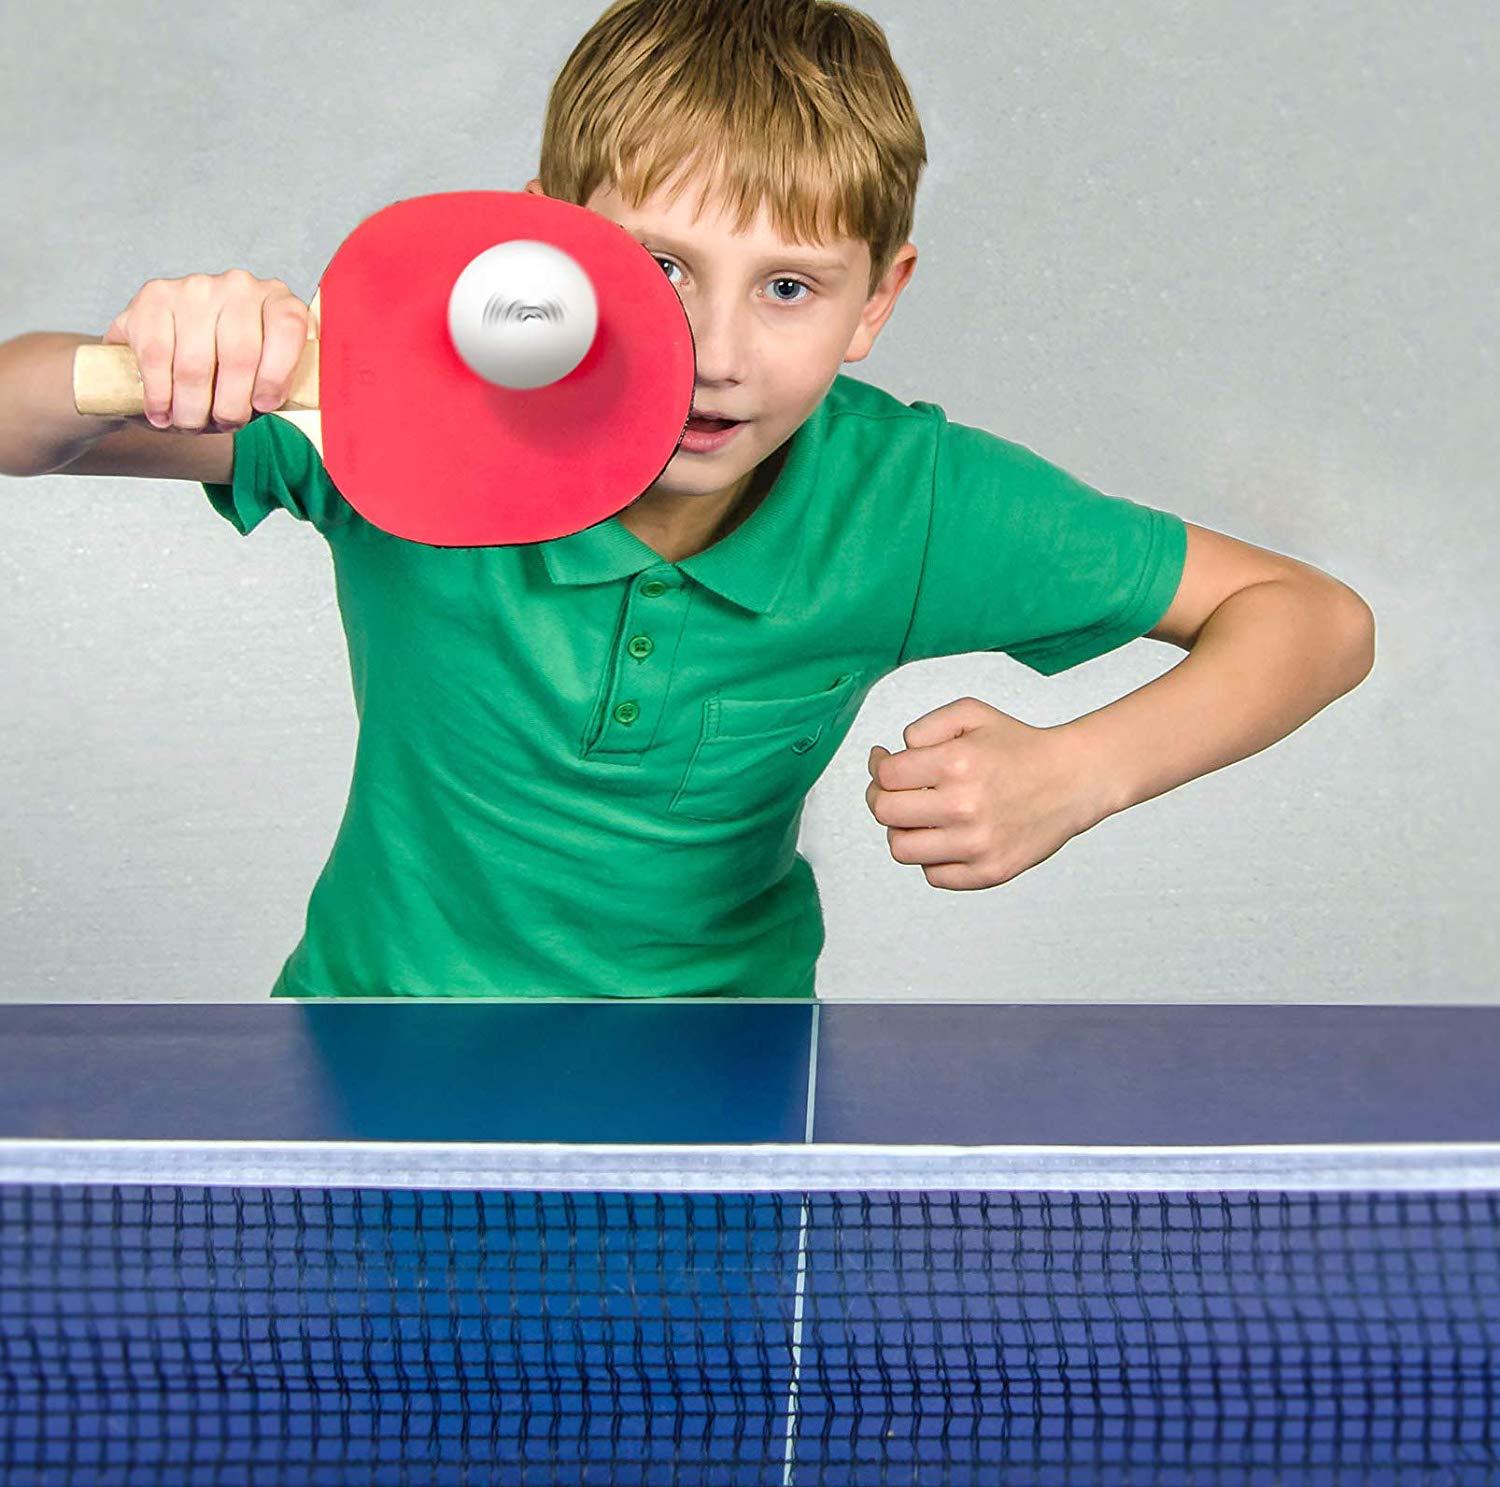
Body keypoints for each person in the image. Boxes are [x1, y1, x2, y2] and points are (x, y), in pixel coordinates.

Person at [0, 0, 1374, 1000]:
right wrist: (148, 359)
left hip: (721, 1096)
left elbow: (1310, 617)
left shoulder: (912, 502)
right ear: (542, 249)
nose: (716, 352)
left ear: (874, 305)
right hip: (375, 1058)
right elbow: (20, 425)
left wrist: (1083, 769)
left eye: (789, 286)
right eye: (658, 268)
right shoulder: (399, 413)